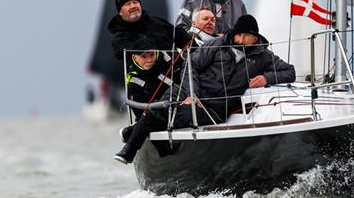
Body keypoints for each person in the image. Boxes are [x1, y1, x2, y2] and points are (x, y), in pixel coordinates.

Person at [114, 14, 296, 164]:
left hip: (213, 110)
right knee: (159, 107)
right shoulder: (216, 45)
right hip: (188, 92)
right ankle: (132, 150)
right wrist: (193, 94)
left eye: (245, 36)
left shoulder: (263, 56)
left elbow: (290, 71)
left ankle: (133, 136)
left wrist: (267, 77)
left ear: (255, 37)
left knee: (165, 114)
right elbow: (190, 63)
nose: (239, 39)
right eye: (237, 35)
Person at [108, 0, 193, 61]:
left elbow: (180, 35)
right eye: (127, 4)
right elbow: (125, 54)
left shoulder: (157, 22)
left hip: (178, 71)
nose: (133, 6)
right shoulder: (120, 38)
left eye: (135, 2)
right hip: (148, 78)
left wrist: (196, 47)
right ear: (120, 12)